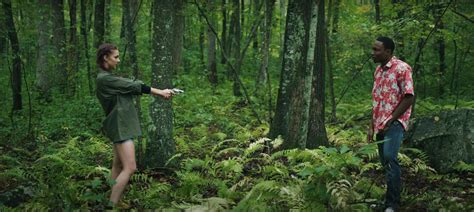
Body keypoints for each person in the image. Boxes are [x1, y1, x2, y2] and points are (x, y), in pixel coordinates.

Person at [95, 43, 175, 207]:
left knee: (117, 166)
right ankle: (111, 205)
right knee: (130, 167)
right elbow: (133, 85)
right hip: (120, 126)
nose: (118, 60)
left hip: (119, 125)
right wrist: (160, 92)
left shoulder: (107, 78)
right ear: (105, 57)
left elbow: (129, 85)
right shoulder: (105, 79)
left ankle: (110, 201)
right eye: (115, 57)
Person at [368, 37, 415, 212]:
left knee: (390, 158)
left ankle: (393, 205)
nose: (372, 53)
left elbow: (409, 97)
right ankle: (388, 200)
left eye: (376, 50)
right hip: (379, 124)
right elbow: (376, 100)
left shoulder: (402, 68)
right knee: (385, 163)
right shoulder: (378, 71)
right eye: (373, 49)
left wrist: (391, 119)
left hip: (395, 123)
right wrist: (372, 125)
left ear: (388, 51)